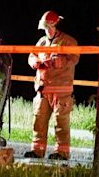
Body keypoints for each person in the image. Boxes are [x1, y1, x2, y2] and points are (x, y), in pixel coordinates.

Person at [25, 10, 79, 160]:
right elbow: (32, 55)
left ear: (56, 25)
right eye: (45, 28)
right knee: (38, 122)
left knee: (60, 124)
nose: (47, 30)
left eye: (50, 27)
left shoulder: (69, 41)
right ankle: (37, 151)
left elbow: (75, 58)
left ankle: (61, 153)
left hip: (61, 93)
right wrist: (34, 62)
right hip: (42, 90)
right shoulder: (42, 42)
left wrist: (59, 62)